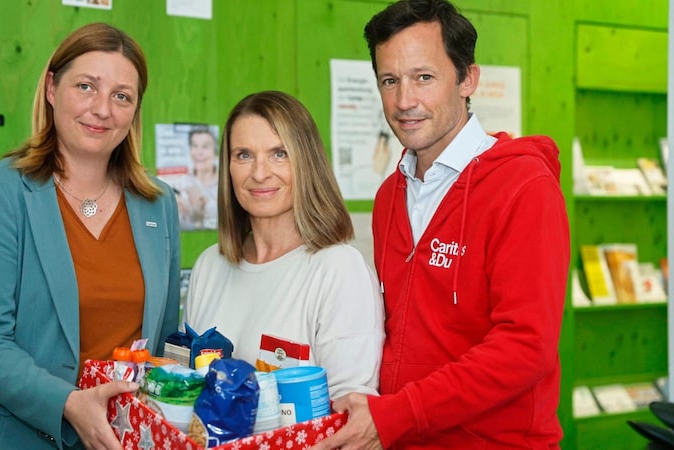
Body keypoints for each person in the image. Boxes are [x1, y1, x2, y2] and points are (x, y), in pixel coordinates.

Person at [314, 1, 570, 449]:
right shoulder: (388, 196)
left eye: (423, 77)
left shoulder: (524, 186)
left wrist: (398, 413)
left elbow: (525, 347)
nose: (404, 101)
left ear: (468, 79)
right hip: (402, 437)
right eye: (389, 81)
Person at [0, 23, 181, 450]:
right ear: (51, 88)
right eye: (86, 86)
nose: (102, 109)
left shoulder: (159, 204)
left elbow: (162, 342)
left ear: (134, 111)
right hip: (0, 437)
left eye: (121, 96)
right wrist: (69, 403)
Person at [183, 90, 385, 399]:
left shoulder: (339, 270)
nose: (260, 173)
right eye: (244, 155)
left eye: (279, 153)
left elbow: (350, 411)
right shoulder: (210, 265)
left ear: (307, 163)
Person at [174, 126, 219, 230]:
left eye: (205, 147)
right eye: (194, 146)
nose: (199, 152)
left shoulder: (226, 185)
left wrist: (203, 207)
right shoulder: (180, 184)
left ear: (215, 152)